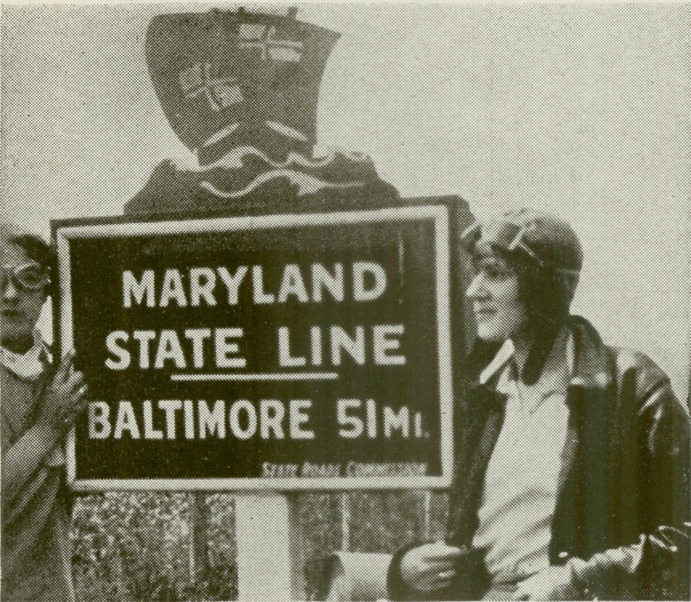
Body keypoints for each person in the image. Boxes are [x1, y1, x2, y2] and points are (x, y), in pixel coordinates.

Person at [387, 209, 690, 600]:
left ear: (542, 286)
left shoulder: (630, 386)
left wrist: (577, 581)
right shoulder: (486, 398)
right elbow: (483, 537)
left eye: (495, 274)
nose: (474, 290)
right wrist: (409, 567)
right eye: (476, 274)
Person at [1, 223, 88, 601]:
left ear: (47, 290)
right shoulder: (58, 398)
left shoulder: (62, 373)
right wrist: (46, 428)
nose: (9, 295)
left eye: (27, 279)